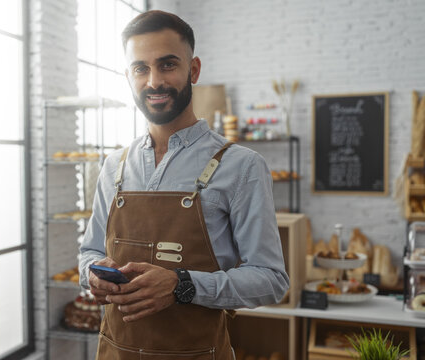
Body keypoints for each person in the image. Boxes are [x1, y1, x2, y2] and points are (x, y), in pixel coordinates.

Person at [79, 10, 289, 360]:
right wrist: (92, 274)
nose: (153, 81)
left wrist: (183, 285)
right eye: (140, 69)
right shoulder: (114, 165)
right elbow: (89, 252)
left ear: (193, 70)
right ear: (129, 76)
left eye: (167, 65)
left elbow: (270, 280)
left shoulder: (242, 166)